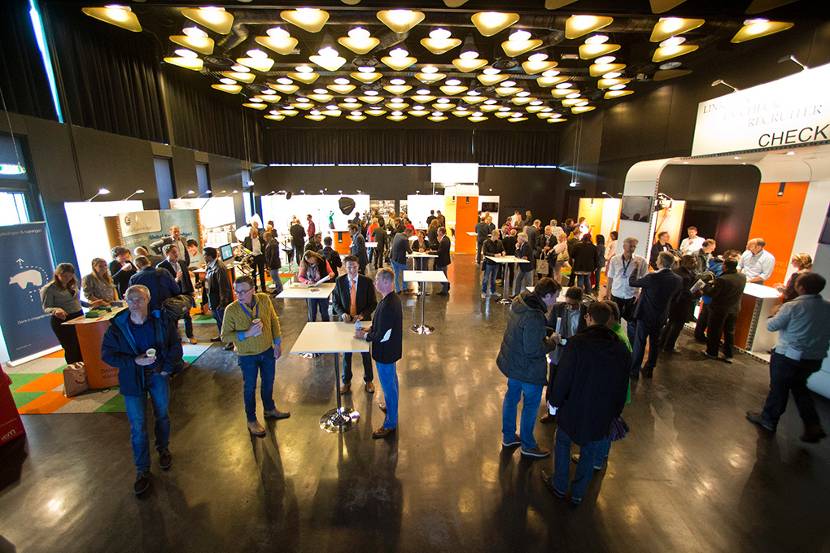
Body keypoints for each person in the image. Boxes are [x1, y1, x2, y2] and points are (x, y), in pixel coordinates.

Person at [542, 301, 631, 505]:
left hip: (574, 405)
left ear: (589, 318)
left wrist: (554, 402)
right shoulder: (620, 347)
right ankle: (578, 493)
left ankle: (559, 485)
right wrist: (616, 411)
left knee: (563, 442)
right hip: (603, 411)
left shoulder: (577, 343)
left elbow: (564, 376)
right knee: (590, 451)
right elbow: (622, 383)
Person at [101, 284, 182, 495]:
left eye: (139, 299)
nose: (135, 303)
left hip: (157, 376)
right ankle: (142, 470)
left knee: (162, 415)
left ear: (148, 299)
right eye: (131, 300)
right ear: (126, 302)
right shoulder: (117, 327)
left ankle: (163, 449)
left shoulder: (161, 321)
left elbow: (175, 345)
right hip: (132, 380)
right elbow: (107, 355)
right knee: (137, 426)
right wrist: (134, 361)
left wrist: (166, 368)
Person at [746, 273, 830, 443]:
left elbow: (772, 326)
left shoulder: (793, 306)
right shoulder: (827, 307)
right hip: (814, 357)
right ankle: (813, 424)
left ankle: (768, 419)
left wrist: (772, 314)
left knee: (779, 388)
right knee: (799, 387)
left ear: (801, 287)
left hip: (789, 355)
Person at [498, 277, 561, 459]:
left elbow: (524, 332)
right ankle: (528, 444)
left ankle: (508, 437)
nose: (556, 301)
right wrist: (552, 342)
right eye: (554, 297)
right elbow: (533, 350)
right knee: (531, 405)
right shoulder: (534, 315)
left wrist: (543, 332)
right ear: (546, 296)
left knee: (511, 399)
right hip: (528, 369)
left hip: (513, 362)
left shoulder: (521, 302)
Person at [221, 275, 289, 437]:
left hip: (267, 351)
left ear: (253, 290)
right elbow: (225, 336)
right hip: (247, 356)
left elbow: (273, 320)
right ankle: (251, 420)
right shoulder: (231, 310)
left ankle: (269, 409)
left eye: (243, 291)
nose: (239, 295)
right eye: (237, 291)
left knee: (268, 382)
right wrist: (247, 334)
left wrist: (277, 343)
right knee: (249, 387)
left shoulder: (264, 299)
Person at [354, 268, 402, 439]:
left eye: (377, 280)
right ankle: (391, 407)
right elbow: (381, 324)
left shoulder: (389, 304)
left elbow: (383, 336)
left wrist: (364, 336)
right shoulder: (389, 299)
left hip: (385, 353)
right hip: (390, 351)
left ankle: (390, 423)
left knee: (389, 387)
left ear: (386, 282)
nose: (375, 283)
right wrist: (370, 328)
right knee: (392, 382)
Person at [628, 251, 682, 379]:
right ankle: (649, 369)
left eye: (658, 258)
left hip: (645, 315)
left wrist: (635, 268)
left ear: (661, 262)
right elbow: (675, 297)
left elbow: (632, 282)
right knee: (654, 343)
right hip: (661, 316)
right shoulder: (677, 279)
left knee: (640, 343)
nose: (656, 260)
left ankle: (634, 370)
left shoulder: (652, 277)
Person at [540, 286, 587, 425]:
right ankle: (551, 413)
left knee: (572, 384)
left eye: (574, 304)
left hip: (576, 354)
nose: (570, 307)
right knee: (553, 383)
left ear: (580, 301)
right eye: (568, 303)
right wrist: (555, 336)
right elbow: (549, 327)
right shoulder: (558, 308)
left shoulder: (586, 312)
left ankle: (568, 412)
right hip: (558, 353)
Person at [332, 256, 377, 394]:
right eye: (349, 267)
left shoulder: (367, 282)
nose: (352, 270)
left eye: (354, 267)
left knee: (365, 353)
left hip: (363, 322)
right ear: (345, 267)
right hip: (346, 323)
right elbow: (335, 302)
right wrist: (342, 314)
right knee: (347, 353)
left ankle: (368, 380)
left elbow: (373, 303)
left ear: (359, 267)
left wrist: (362, 315)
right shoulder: (339, 281)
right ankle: (346, 381)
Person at [41, 263, 95, 364]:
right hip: (63, 320)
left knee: (82, 346)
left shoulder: (72, 284)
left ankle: (86, 370)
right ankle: (74, 371)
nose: (67, 278)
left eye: (70, 276)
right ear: (57, 274)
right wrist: (56, 310)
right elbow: (46, 307)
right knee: (71, 348)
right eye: (64, 276)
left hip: (78, 317)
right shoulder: (49, 288)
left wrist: (90, 304)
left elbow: (76, 301)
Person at [604, 237, 648, 344]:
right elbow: (610, 276)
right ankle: (614, 342)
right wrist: (607, 292)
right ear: (624, 246)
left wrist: (639, 293)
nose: (632, 249)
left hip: (632, 295)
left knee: (632, 322)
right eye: (630, 246)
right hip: (616, 293)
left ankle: (631, 345)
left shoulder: (641, 261)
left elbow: (644, 279)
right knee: (614, 320)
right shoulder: (615, 259)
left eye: (634, 246)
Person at [703, 257, 746, 363]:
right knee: (729, 332)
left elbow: (712, 293)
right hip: (734, 309)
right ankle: (728, 354)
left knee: (714, 331)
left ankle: (711, 352)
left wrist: (706, 286)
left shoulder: (723, 279)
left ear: (725, 266)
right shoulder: (743, 277)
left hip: (719, 309)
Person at [157, 245, 197, 345]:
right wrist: (176, 279)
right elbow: (163, 285)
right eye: (173, 252)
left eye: (177, 251)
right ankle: (176, 338)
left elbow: (187, 278)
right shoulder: (161, 267)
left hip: (184, 293)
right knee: (173, 318)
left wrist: (191, 291)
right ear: (167, 253)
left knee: (187, 315)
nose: (176, 254)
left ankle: (190, 336)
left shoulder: (182, 262)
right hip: (171, 295)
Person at [661, 254, 698, 353]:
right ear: (685, 263)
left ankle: (662, 343)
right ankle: (669, 347)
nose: (695, 264)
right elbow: (685, 293)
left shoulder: (676, 271)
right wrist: (697, 293)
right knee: (677, 326)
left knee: (670, 324)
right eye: (692, 262)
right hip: (681, 305)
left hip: (673, 303)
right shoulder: (685, 276)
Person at [203, 247, 234, 350]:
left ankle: (230, 341)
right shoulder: (210, 265)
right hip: (213, 299)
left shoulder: (219, 268)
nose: (203, 257)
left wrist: (223, 302)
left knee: (224, 321)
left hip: (219, 300)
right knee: (218, 319)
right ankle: (222, 336)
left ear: (209, 256)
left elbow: (224, 287)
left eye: (204, 255)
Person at [298, 250, 335, 321]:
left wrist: (331, 275)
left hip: (323, 289)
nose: (311, 262)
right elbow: (300, 277)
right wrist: (307, 281)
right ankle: (311, 325)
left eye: (312, 260)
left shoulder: (323, 261)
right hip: (310, 290)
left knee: (324, 311)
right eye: (308, 261)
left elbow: (331, 272)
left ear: (315, 257)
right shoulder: (304, 263)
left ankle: (326, 325)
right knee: (312, 312)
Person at [481, 229, 504, 298]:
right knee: (486, 278)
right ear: (494, 235)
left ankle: (493, 291)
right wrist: (494, 255)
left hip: (496, 263)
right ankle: (483, 292)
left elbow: (502, 249)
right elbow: (485, 252)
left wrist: (503, 252)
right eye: (498, 235)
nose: (499, 237)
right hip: (488, 263)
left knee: (493, 279)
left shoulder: (499, 242)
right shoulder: (486, 242)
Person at [243, 226, 267, 292]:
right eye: (252, 233)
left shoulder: (261, 239)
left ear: (257, 233)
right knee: (253, 274)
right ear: (250, 233)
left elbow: (264, 248)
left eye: (255, 234)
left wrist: (265, 259)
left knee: (262, 273)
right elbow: (244, 248)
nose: (254, 235)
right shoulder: (247, 239)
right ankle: (255, 289)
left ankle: (263, 288)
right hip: (252, 258)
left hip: (260, 257)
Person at [390, 227, 412, 294]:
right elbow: (409, 251)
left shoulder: (397, 235)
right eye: (410, 235)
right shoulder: (405, 239)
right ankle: (405, 288)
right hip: (400, 259)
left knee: (396, 274)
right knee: (405, 273)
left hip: (393, 257)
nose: (410, 236)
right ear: (408, 233)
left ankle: (397, 290)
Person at [513, 232, 534, 296]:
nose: (517, 239)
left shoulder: (526, 246)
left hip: (528, 267)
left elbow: (521, 256)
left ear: (522, 239)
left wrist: (517, 248)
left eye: (518, 238)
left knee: (529, 283)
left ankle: (529, 296)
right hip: (523, 266)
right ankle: (516, 294)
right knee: (518, 280)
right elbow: (517, 255)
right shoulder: (522, 245)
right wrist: (518, 249)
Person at [263, 231, 284, 296]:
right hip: (272, 263)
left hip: (274, 263)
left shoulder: (273, 243)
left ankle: (280, 290)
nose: (264, 239)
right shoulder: (271, 242)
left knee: (275, 277)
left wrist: (270, 264)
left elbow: (273, 255)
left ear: (268, 237)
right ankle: (277, 289)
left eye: (265, 237)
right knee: (274, 277)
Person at [434, 227, 452, 296]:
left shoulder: (444, 241)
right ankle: (445, 289)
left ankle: (446, 285)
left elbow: (440, 252)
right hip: (444, 261)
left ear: (441, 232)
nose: (437, 232)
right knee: (443, 275)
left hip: (442, 261)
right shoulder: (446, 239)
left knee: (441, 276)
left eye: (438, 231)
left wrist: (430, 253)